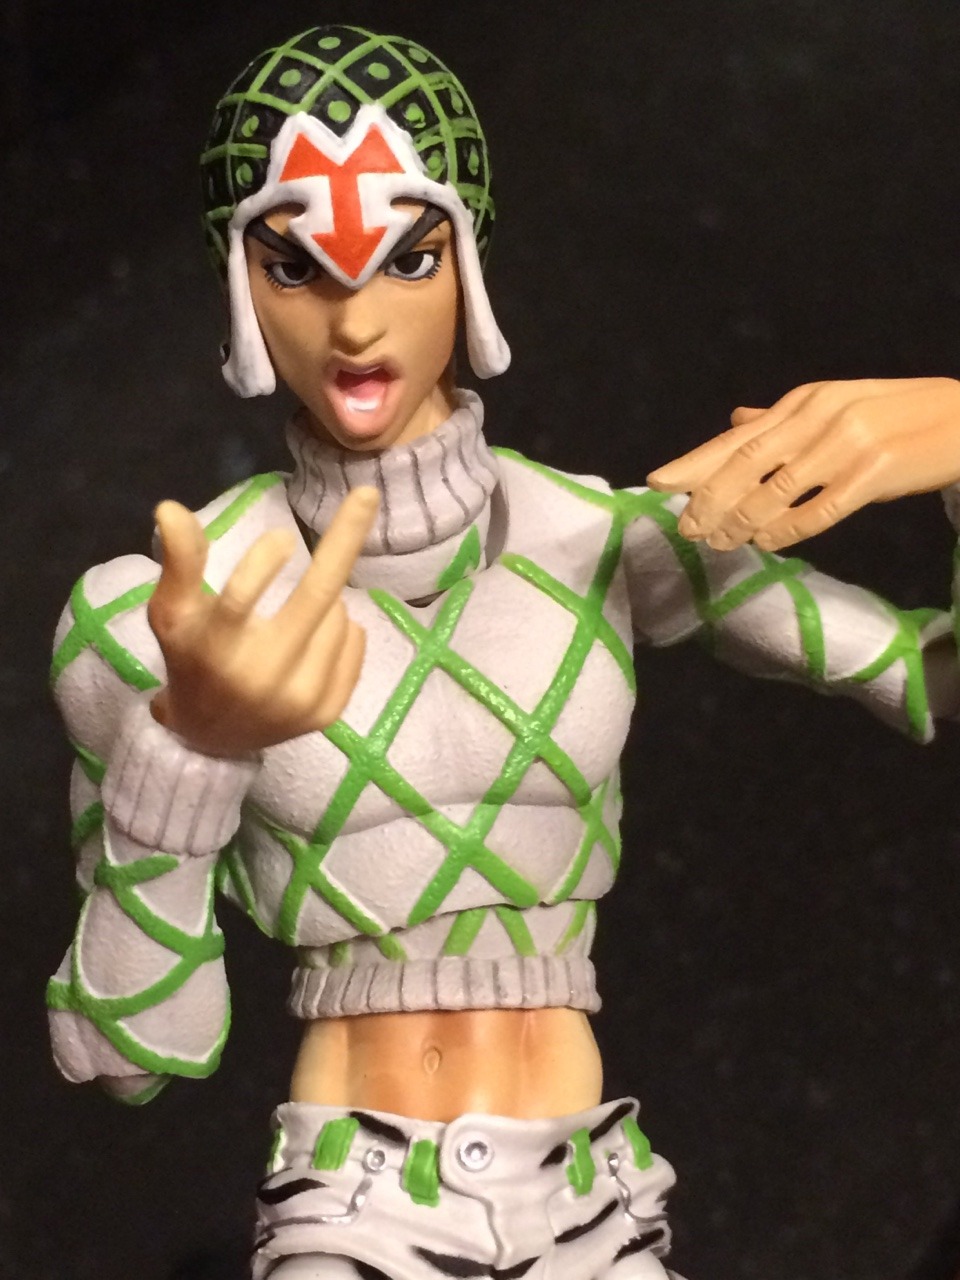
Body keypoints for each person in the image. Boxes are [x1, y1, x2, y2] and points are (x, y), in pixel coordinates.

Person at [45, 23, 960, 1280]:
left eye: (408, 257)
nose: (357, 322)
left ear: (467, 257)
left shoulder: (612, 540)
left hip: (592, 1193)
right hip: (353, 1199)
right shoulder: (161, 609)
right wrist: (186, 758)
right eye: (296, 266)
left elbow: (931, 676)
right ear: (238, 284)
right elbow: (127, 1049)